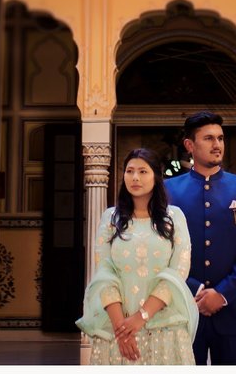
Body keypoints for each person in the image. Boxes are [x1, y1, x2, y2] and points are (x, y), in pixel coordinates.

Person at [163, 111, 236, 365]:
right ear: (190, 145)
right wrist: (195, 289)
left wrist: (221, 294)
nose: (217, 144)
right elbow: (161, 249)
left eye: (220, 138)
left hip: (235, 309)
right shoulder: (168, 190)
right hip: (184, 309)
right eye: (208, 138)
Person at [77, 147, 199, 364]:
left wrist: (141, 317)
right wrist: (121, 329)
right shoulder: (110, 218)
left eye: (143, 172)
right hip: (118, 329)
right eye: (130, 171)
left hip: (165, 327)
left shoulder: (174, 218)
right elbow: (104, 274)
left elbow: (178, 272)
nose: (135, 177)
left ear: (156, 177)